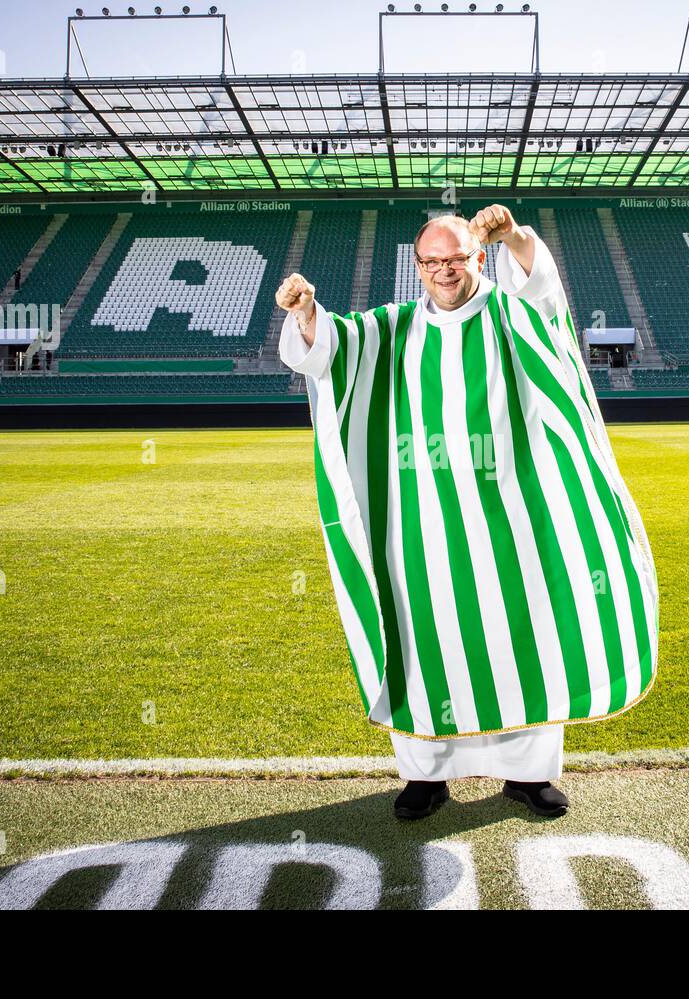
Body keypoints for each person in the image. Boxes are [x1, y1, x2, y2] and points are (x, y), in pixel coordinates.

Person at [277, 204, 658, 821]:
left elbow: (544, 294)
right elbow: (328, 350)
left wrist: (515, 236)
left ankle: (529, 776)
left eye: (455, 259)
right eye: (431, 262)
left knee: (527, 631)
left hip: (514, 512)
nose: (443, 271)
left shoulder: (512, 315)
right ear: (418, 267)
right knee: (426, 637)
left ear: (477, 258)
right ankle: (426, 776)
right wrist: (305, 314)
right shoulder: (393, 327)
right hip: (418, 518)